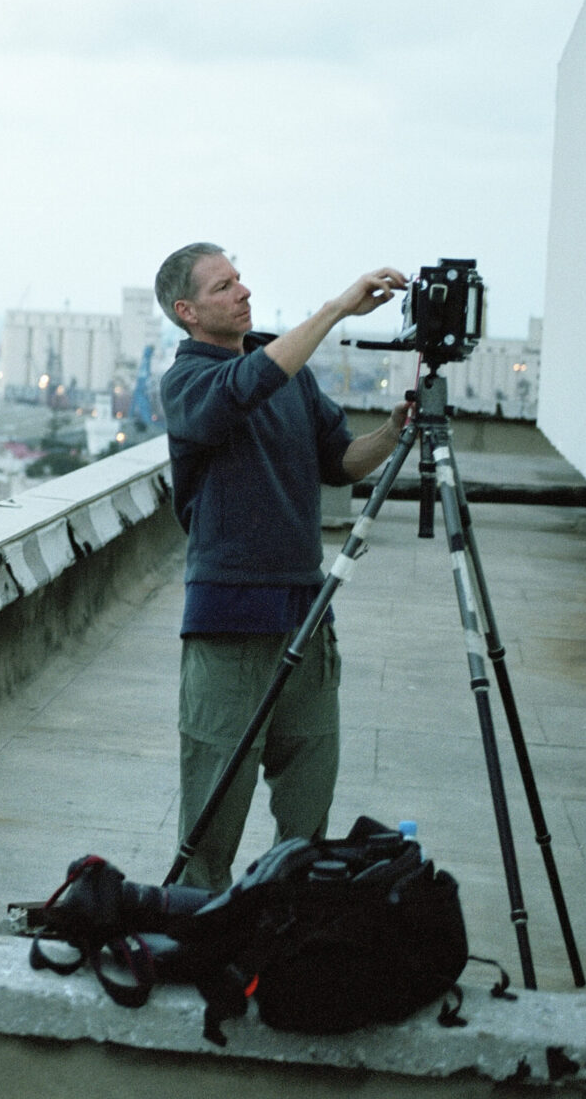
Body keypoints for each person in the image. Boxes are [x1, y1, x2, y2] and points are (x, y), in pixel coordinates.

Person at [153, 243, 411, 890]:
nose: (241, 291)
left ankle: (283, 936)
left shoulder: (288, 372)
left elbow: (341, 462)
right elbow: (243, 388)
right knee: (210, 827)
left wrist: (395, 433)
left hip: (306, 620)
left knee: (306, 825)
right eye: (221, 287)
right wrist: (335, 311)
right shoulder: (187, 383)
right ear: (187, 312)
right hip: (229, 630)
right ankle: (197, 944)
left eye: (239, 280)